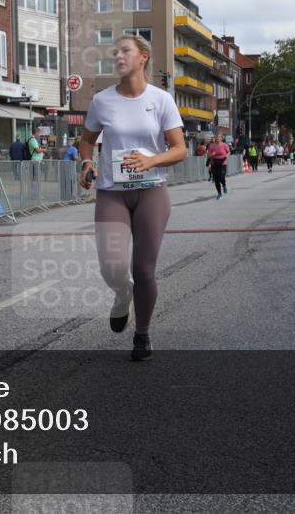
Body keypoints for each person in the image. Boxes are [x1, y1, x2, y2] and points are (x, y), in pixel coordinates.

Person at [77, 35, 186, 361]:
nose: (118, 56)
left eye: (125, 50)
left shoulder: (162, 99)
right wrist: (86, 162)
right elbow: (87, 139)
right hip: (112, 192)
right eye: (115, 52)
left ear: (143, 57)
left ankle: (142, 334)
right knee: (111, 267)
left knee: (144, 270)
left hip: (151, 191)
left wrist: (151, 159)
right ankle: (121, 293)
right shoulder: (101, 101)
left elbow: (180, 149)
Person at [206, 133, 230, 199]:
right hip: (214, 162)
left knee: (221, 177)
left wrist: (226, 156)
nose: (217, 138)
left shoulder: (224, 145)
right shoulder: (211, 145)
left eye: (218, 137)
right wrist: (212, 155)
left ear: (221, 138)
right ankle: (219, 193)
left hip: (223, 162)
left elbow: (228, 152)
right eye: (216, 137)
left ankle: (224, 185)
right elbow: (208, 155)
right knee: (216, 179)